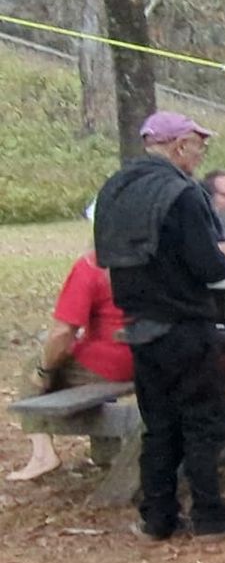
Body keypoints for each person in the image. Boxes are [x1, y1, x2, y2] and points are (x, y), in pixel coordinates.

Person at [92, 111, 225, 540]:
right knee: (202, 421)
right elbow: (206, 266)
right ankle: (210, 514)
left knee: (159, 423)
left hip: (139, 325)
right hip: (184, 322)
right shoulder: (181, 193)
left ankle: (157, 516)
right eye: (199, 145)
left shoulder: (115, 189)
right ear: (179, 146)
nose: (201, 153)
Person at [9, 206, 134, 482]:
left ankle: (42, 453)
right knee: (82, 371)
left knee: (38, 364)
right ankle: (106, 450)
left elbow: (62, 333)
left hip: (115, 360)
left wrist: (44, 371)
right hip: (157, 355)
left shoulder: (91, 267)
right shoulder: (156, 261)